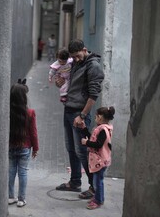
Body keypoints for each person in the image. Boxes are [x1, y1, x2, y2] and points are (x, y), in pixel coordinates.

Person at [55, 39, 105, 200]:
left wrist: (82, 115)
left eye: (77, 56)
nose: (75, 59)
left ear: (84, 49)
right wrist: (59, 82)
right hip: (68, 110)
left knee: (83, 151)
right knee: (71, 148)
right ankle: (75, 181)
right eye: (73, 57)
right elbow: (68, 82)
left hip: (79, 113)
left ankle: (94, 187)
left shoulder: (93, 66)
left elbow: (93, 95)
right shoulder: (76, 63)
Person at [9, 79, 39, 207]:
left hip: (11, 146)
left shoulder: (8, 111)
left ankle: (10, 197)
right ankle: (21, 199)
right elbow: (33, 133)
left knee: (10, 172)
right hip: (25, 147)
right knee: (23, 173)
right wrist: (36, 148)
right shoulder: (30, 113)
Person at [81, 106, 115, 209]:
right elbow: (93, 137)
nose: (95, 117)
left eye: (96, 116)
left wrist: (86, 142)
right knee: (98, 181)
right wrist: (84, 129)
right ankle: (99, 198)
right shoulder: (103, 128)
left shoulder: (103, 130)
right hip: (99, 160)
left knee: (97, 182)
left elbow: (98, 144)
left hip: (100, 161)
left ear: (100, 117)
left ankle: (98, 201)